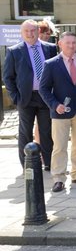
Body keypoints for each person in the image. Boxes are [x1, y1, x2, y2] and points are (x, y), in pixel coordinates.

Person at [38, 32, 76, 192]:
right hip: (60, 112)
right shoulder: (51, 64)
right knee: (59, 146)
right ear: (60, 44)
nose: (71, 46)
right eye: (68, 43)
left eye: (74, 42)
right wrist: (54, 104)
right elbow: (43, 89)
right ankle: (58, 178)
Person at [3, 19, 57, 170]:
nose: (30, 34)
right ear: (21, 33)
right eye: (26, 31)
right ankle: (27, 165)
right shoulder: (14, 51)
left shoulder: (50, 48)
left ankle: (49, 163)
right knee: (25, 132)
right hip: (25, 98)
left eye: (33, 30)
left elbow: (55, 72)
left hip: (45, 96)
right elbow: (8, 77)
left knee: (46, 131)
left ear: (38, 31)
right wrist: (16, 97)